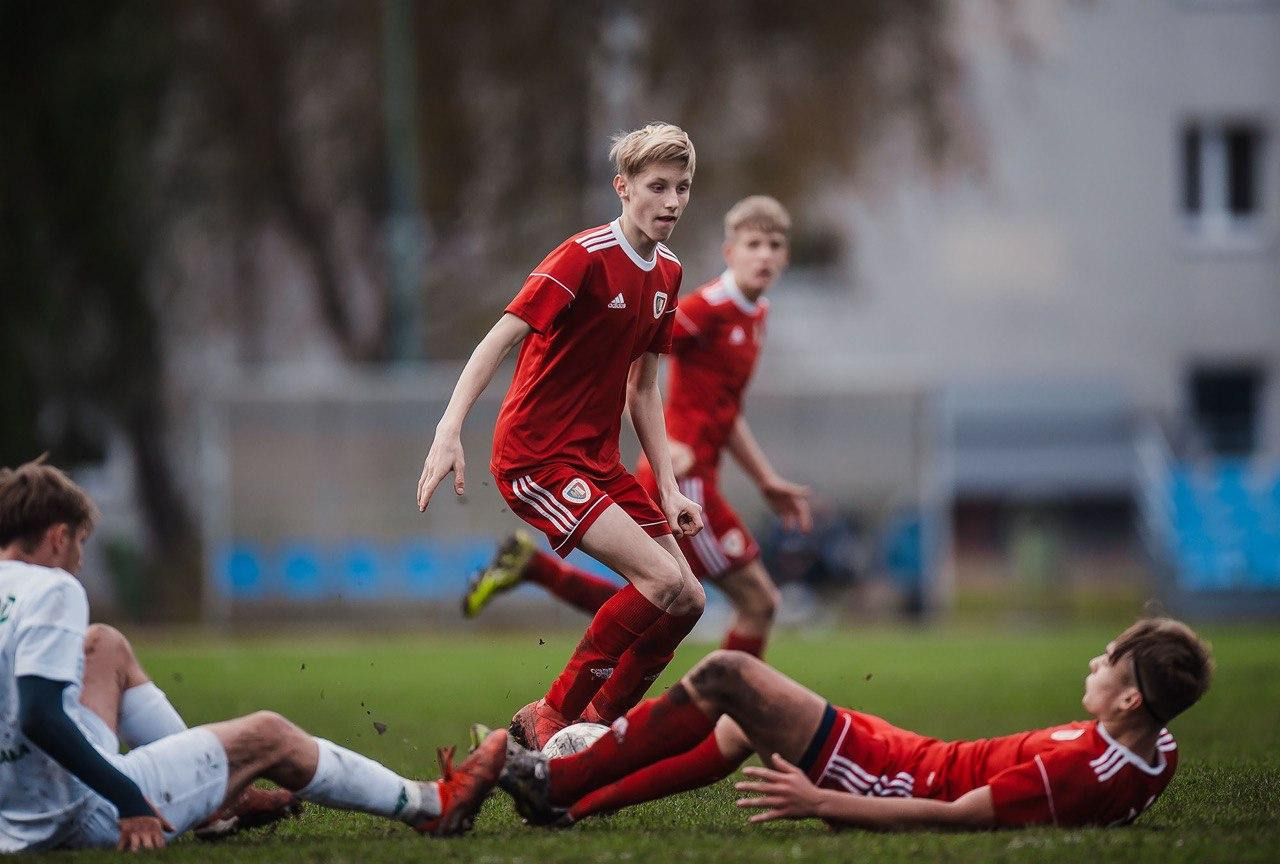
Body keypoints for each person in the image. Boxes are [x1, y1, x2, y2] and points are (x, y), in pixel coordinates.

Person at [0, 457, 507, 852]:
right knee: (269, 733)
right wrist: (129, 800)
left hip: (14, 811)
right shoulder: (52, 587)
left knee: (104, 644)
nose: (80, 561)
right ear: (58, 536)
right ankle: (431, 804)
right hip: (78, 810)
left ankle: (217, 805)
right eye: (80, 543)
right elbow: (40, 716)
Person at [416, 123, 706, 748]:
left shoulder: (669, 272)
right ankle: (550, 718)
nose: (672, 201)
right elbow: (497, 339)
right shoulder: (584, 256)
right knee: (660, 581)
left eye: (682, 188)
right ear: (623, 188)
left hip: (597, 461)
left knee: (688, 599)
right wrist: (449, 429)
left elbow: (643, 389)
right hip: (536, 458)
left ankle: (593, 728)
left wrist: (669, 489)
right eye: (657, 187)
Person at [463, 196, 812, 690]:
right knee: (747, 599)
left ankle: (539, 576)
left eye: (774, 246)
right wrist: (669, 444)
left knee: (662, 597)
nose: (764, 256)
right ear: (729, 251)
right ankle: (716, 711)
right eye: (753, 244)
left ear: (786, 256)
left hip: (686, 479)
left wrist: (765, 479)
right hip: (682, 478)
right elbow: (638, 367)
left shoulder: (754, 314)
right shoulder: (705, 308)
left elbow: (724, 411)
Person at [499, 617, 1212, 831]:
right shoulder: (1158, 747)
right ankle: (573, 804)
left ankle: (558, 780)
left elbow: (956, 818)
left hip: (891, 777)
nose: (1094, 661)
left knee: (729, 675)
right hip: (914, 757)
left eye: (1108, 662)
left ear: (1129, 702)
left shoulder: (1078, 771)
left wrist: (822, 803)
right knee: (739, 725)